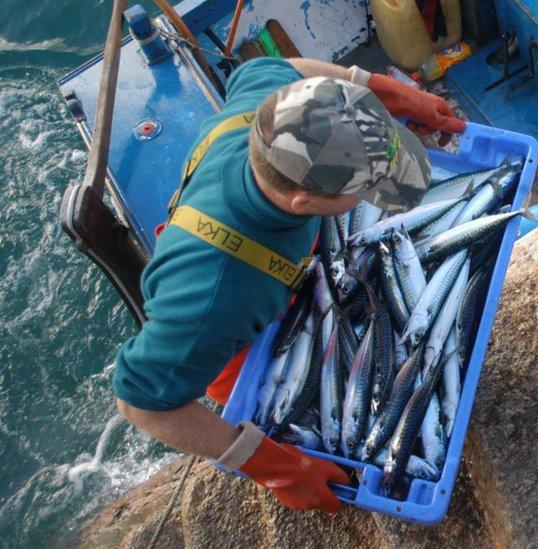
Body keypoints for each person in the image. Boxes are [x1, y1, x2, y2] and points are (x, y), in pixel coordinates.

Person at [111, 56, 465, 513]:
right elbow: (140, 402)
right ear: (305, 200)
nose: (377, 196)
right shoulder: (219, 298)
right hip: (240, 334)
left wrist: (394, 93)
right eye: (367, 187)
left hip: (281, 265)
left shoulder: (271, 103)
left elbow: (281, 65)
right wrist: (274, 467)